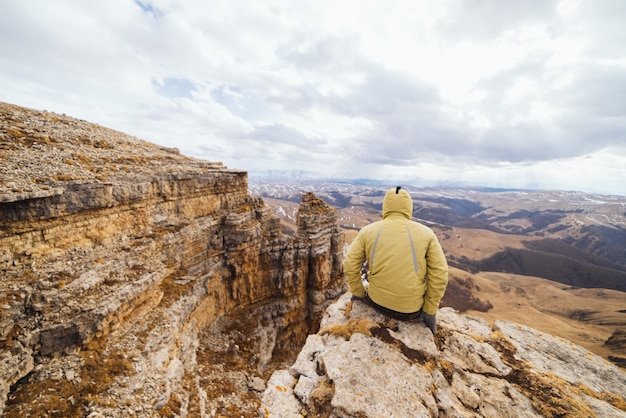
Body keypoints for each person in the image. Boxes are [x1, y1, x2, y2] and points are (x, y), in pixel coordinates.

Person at [344, 186, 448, 334]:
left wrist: (358, 293)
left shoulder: (367, 231)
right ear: (409, 207)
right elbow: (440, 273)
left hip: (377, 303)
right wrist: (430, 310)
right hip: (411, 310)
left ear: (385, 206)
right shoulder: (427, 234)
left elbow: (349, 264)